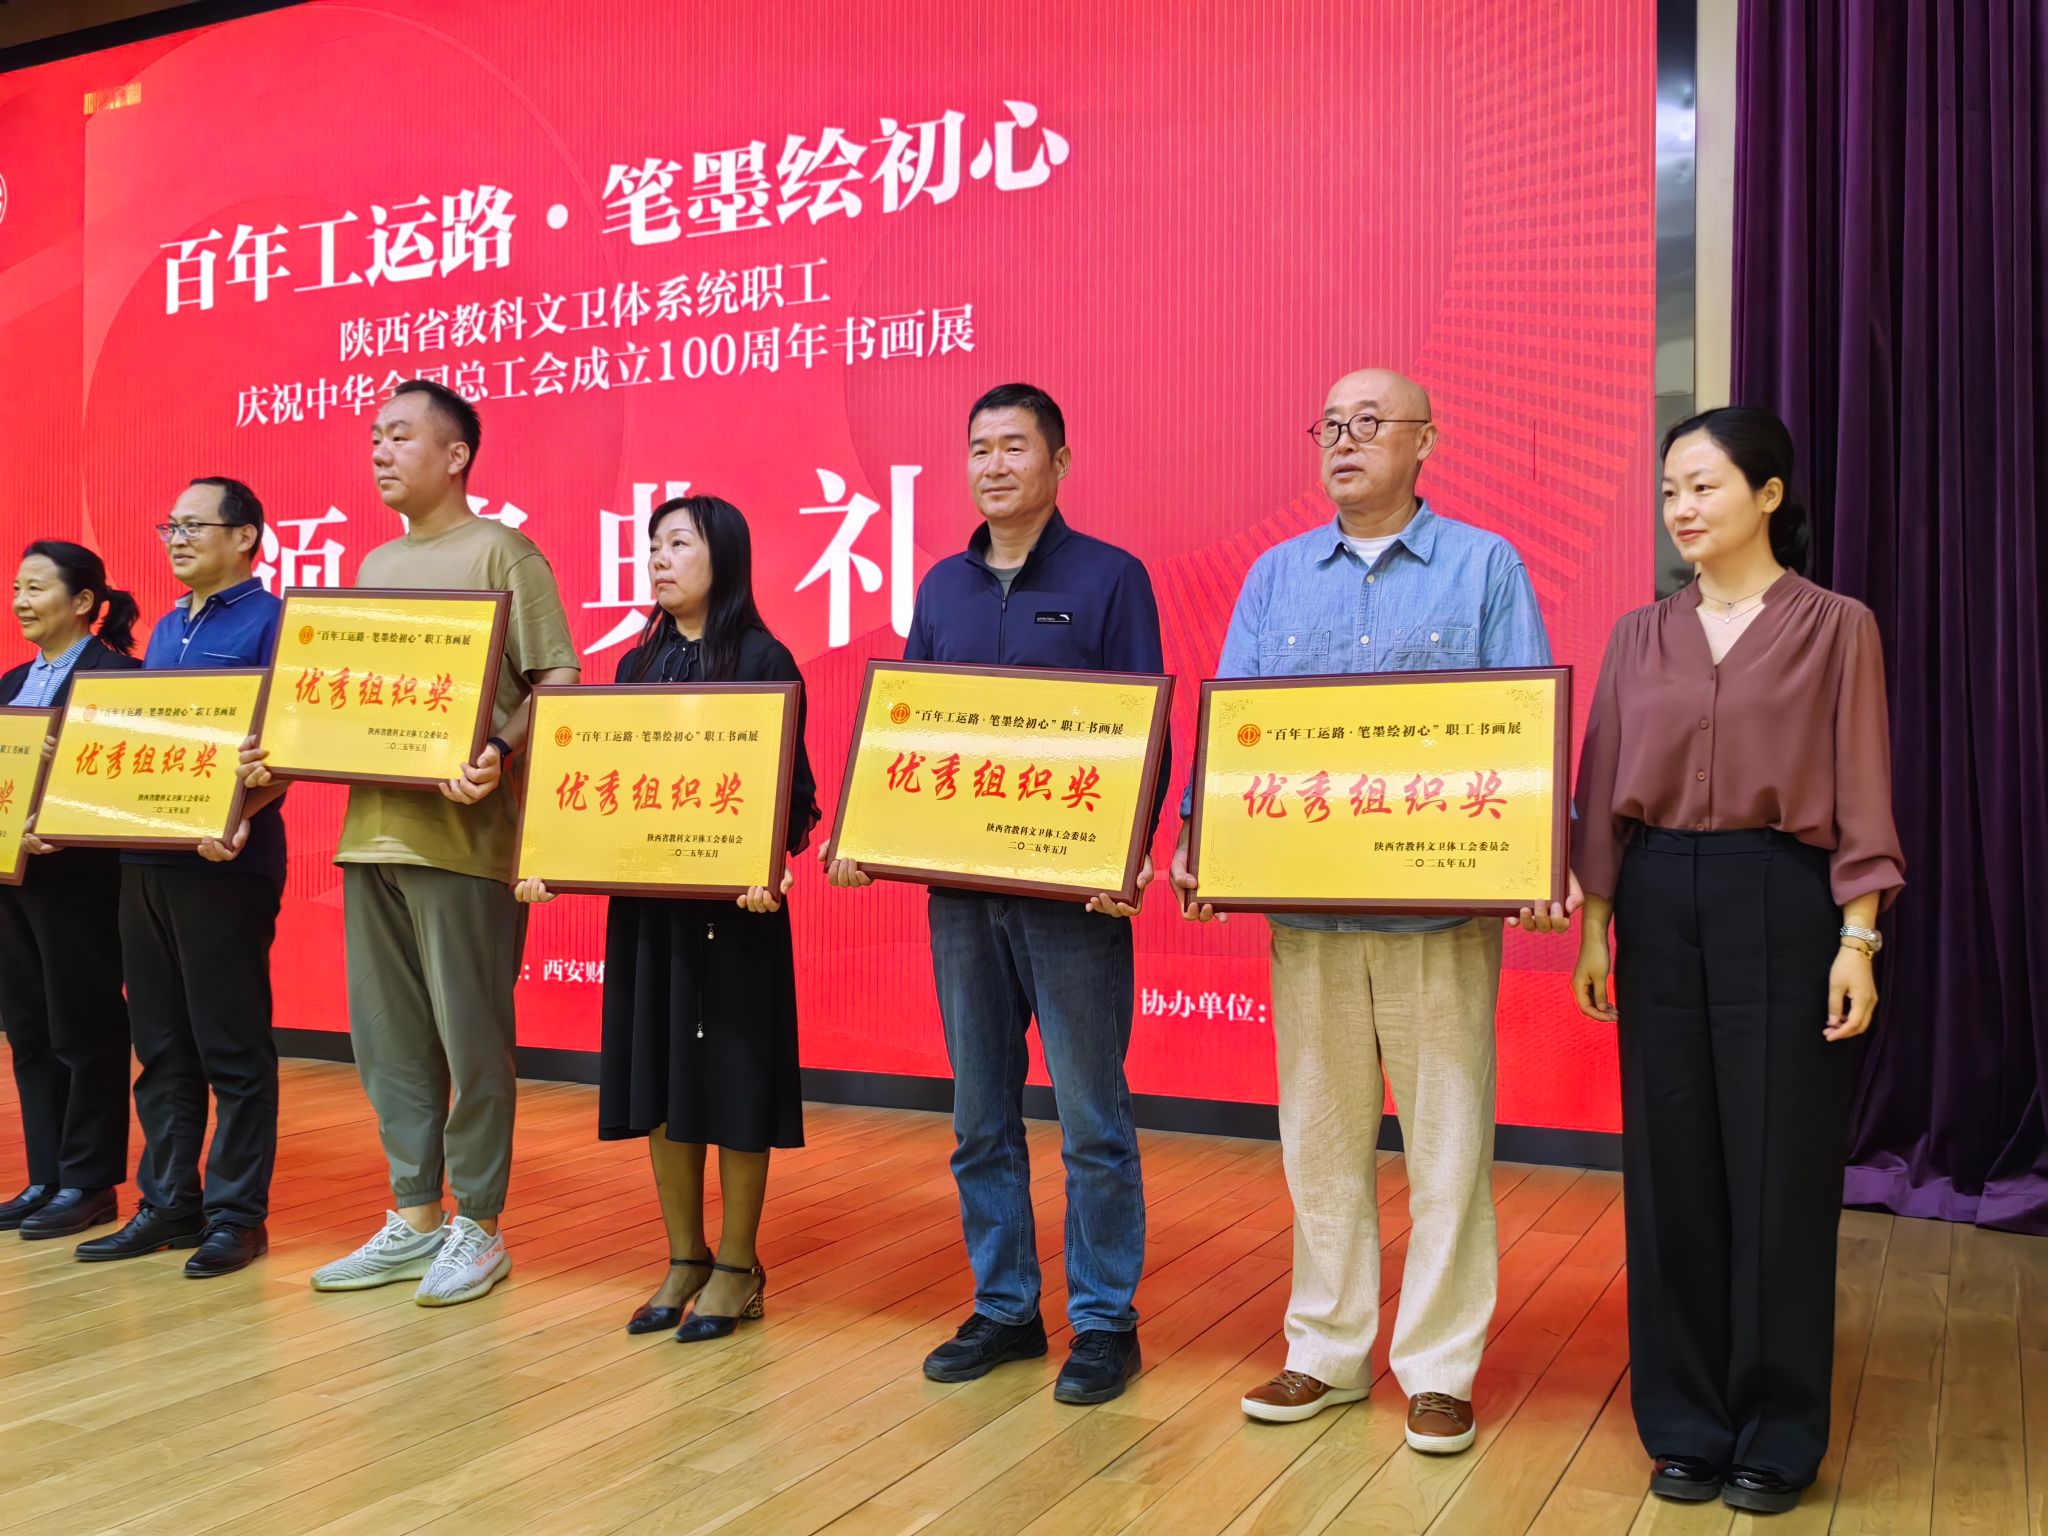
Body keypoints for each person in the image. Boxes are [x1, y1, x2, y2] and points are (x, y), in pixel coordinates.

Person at [1169, 369, 1569, 1449]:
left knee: (1446, 1149)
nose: (1344, 442)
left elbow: (1521, 725)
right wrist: (1201, 837)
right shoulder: (1274, 576)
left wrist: (1544, 856)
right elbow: (1234, 725)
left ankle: (1438, 1368)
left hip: (1439, 917)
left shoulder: (1485, 565)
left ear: (1424, 441)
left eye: (1369, 424)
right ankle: (1325, 1351)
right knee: (1319, 1142)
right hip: (1308, 919)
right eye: (1330, 427)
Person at [1570, 407, 1904, 1516]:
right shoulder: (1637, 635)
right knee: (1671, 1167)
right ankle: (1685, 1426)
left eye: (1703, 486)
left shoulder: (1836, 626)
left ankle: (1776, 1429)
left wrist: (1857, 938)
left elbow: (1862, 791)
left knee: (1779, 1169)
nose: (1681, 508)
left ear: (1767, 495)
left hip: (1784, 898)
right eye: (1669, 489)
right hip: (1656, 897)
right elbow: (1601, 789)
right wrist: (1595, 926)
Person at [825, 383, 1166, 1406]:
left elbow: (1145, 729)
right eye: (979, 448)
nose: (994, 465)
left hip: (1072, 900)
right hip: (964, 899)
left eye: (1015, 446)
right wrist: (864, 830)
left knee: (1091, 1119)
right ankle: (1007, 1307)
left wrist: (1124, 858)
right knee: (979, 1115)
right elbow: (909, 732)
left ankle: (1104, 1321)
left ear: (1060, 462)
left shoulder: (1111, 577)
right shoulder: (943, 586)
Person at [243, 379, 579, 1305]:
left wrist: (499, 750)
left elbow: (557, 678)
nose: (380, 453)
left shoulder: (503, 551)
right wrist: (284, 752)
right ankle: (416, 1215)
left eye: (399, 435)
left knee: (471, 1042)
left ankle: (480, 1224)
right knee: (388, 1042)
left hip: (465, 841)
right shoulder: (375, 564)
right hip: (373, 835)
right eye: (374, 438)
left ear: (456, 454)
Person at [516, 495, 819, 1342]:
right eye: (653, 545)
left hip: (737, 913)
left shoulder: (763, 658)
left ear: (724, 557)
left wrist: (770, 859)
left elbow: (792, 794)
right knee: (661, 1078)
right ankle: (684, 1256)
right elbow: (601, 790)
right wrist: (556, 855)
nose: (659, 558)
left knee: (735, 1079)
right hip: (652, 909)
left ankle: (738, 1265)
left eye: (678, 543)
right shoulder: (635, 663)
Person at [74, 479, 287, 1277]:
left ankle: (237, 1216)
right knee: (160, 1044)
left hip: (226, 861)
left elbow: (289, 744)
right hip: (146, 856)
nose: (178, 539)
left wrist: (242, 813)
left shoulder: (274, 622)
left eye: (195, 525)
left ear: (246, 537)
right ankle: (167, 1203)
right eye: (170, 526)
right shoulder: (166, 628)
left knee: (231, 1045)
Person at [0, 542, 141, 1240]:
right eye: (16, 588)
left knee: (84, 1027)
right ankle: (46, 1175)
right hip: (12, 879)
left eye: (36, 587)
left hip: (80, 881)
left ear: (84, 602)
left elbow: (135, 784)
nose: (20, 601)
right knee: (28, 1029)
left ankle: (89, 1181)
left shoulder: (119, 680)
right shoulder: (9, 682)